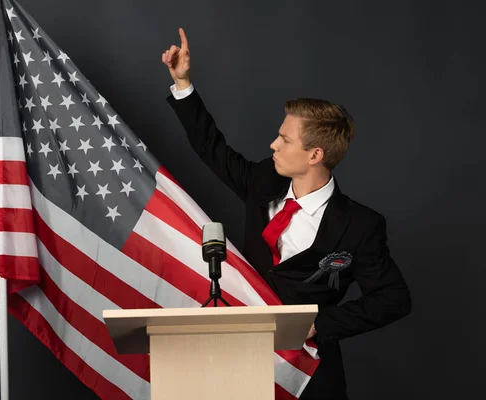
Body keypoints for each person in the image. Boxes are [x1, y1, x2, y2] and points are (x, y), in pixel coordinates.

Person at [161, 28, 412, 399]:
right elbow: (212, 149)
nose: (273, 144)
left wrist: (318, 324)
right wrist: (183, 84)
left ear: (315, 156)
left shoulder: (360, 225)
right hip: (243, 362)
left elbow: (393, 299)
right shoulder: (263, 180)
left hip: (310, 373)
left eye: (285, 139)